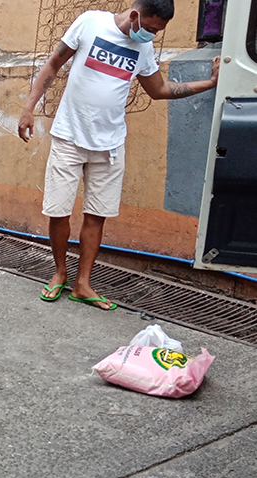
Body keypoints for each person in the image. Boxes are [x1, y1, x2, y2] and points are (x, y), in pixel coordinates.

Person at [18, 0, 219, 310]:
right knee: (58, 211)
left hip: (110, 145)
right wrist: (28, 108)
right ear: (136, 15)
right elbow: (54, 64)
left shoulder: (144, 49)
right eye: (150, 28)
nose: (152, 36)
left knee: (96, 215)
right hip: (69, 136)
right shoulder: (90, 23)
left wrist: (209, 83)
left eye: (158, 32)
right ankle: (60, 272)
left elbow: (159, 89)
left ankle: (83, 283)